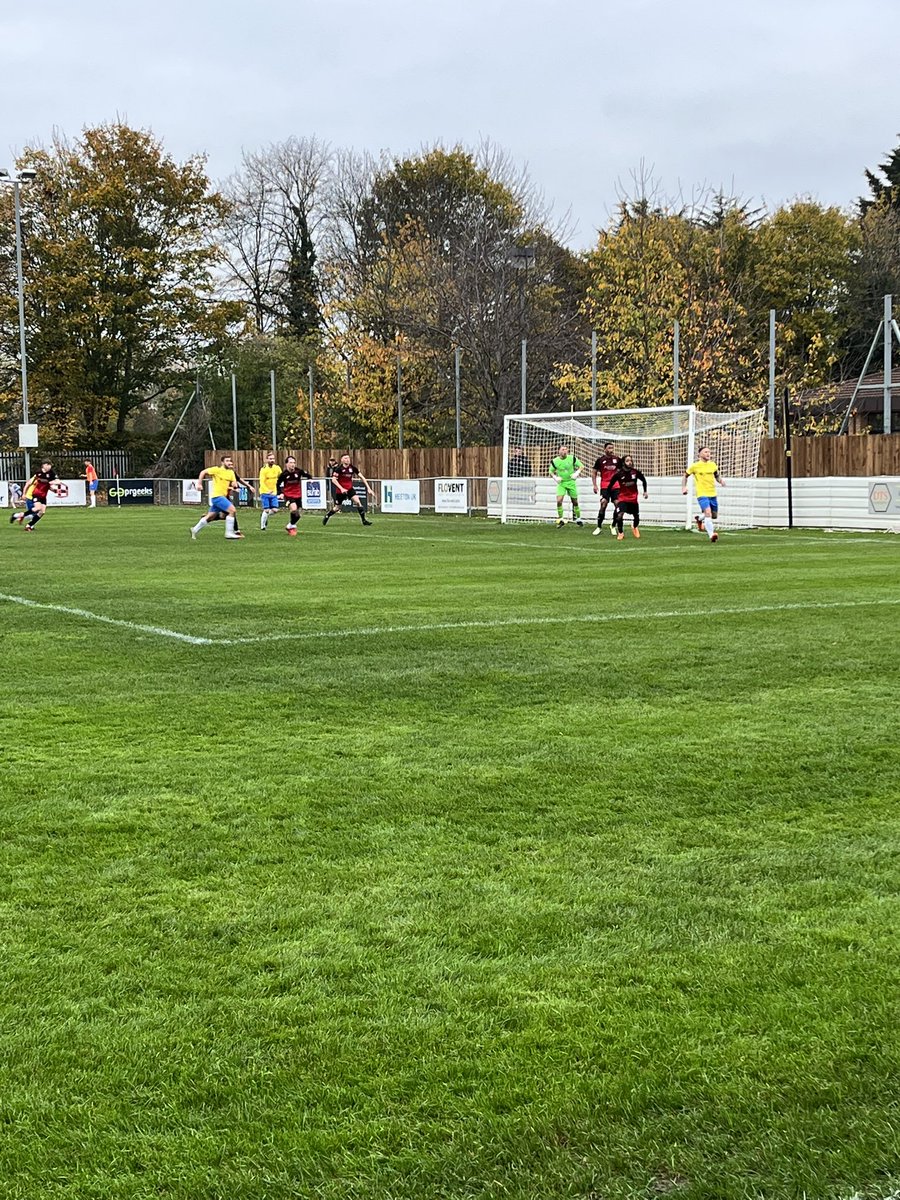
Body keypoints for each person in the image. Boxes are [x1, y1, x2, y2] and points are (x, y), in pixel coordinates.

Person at [190, 455, 246, 540]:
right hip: (217, 496)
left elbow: (234, 483)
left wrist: (235, 487)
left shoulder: (231, 472)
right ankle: (229, 533)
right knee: (232, 510)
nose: (229, 462)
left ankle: (195, 529)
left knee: (210, 517)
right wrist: (199, 483)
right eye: (227, 461)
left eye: (230, 461)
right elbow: (203, 472)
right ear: (222, 462)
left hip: (221, 497)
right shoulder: (217, 470)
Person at [682, 446, 725, 543]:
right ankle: (712, 535)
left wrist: (721, 481)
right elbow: (685, 476)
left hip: (712, 493)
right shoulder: (695, 466)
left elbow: (717, 476)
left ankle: (700, 518)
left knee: (714, 515)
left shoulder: (713, 465)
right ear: (700, 454)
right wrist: (684, 487)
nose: (708, 454)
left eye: (709, 452)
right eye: (705, 452)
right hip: (702, 494)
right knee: (708, 512)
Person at [322, 454, 374, 526]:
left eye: (348, 458)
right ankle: (327, 515)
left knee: (358, 502)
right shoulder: (339, 469)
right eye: (346, 458)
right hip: (340, 491)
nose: (348, 460)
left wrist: (369, 488)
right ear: (342, 460)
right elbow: (333, 480)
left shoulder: (352, 468)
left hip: (349, 489)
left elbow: (362, 477)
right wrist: (341, 488)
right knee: (337, 508)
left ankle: (364, 520)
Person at [10, 460, 61, 531]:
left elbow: (56, 482)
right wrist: (24, 494)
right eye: (48, 465)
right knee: (37, 508)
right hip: (36, 494)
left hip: (43, 496)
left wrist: (54, 489)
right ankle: (19, 516)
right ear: (44, 465)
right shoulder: (38, 473)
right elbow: (35, 482)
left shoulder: (51, 473)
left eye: (50, 465)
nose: (50, 467)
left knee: (42, 512)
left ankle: (29, 524)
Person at [607, 455, 648, 540]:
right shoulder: (619, 474)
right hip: (623, 498)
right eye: (627, 461)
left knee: (636, 516)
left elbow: (643, 480)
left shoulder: (635, 472)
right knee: (619, 515)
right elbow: (610, 485)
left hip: (633, 499)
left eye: (631, 461)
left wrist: (645, 491)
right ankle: (621, 533)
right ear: (623, 463)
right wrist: (607, 495)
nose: (630, 462)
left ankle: (634, 527)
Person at [591, 441, 622, 536]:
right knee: (603, 503)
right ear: (604, 449)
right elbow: (594, 472)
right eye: (609, 448)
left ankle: (613, 526)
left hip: (616, 485)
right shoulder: (600, 460)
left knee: (618, 505)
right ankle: (599, 526)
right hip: (605, 485)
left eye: (612, 448)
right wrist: (595, 485)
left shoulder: (617, 459)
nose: (611, 450)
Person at [549, 444, 584, 527]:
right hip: (562, 483)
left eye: (566, 449)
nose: (564, 451)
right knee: (559, 501)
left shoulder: (572, 458)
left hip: (571, 482)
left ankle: (578, 518)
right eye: (562, 449)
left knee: (575, 502)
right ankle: (561, 519)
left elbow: (581, 466)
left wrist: (577, 473)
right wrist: (555, 477)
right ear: (559, 451)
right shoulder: (555, 461)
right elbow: (550, 471)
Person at [277, 455, 312, 536]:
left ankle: (290, 525)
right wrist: (281, 493)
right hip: (288, 495)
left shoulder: (298, 471)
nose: (293, 464)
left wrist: (310, 479)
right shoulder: (284, 474)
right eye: (291, 462)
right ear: (286, 464)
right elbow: (278, 485)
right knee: (294, 510)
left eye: (294, 462)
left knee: (297, 515)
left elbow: (307, 475)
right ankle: (292, 527)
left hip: (298, 495)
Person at [257, 450, 282, 531]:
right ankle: (263, 526)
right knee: (267, 510)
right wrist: (267, 490)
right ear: (267, 460)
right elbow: (262, 481)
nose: (272, 460)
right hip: (265, 492)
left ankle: (264, 515)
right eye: (270, 459)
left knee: (275, 510)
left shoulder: (277, 468)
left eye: (273, 459)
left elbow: (281, 477)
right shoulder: (263, 469)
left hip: (273, 492)